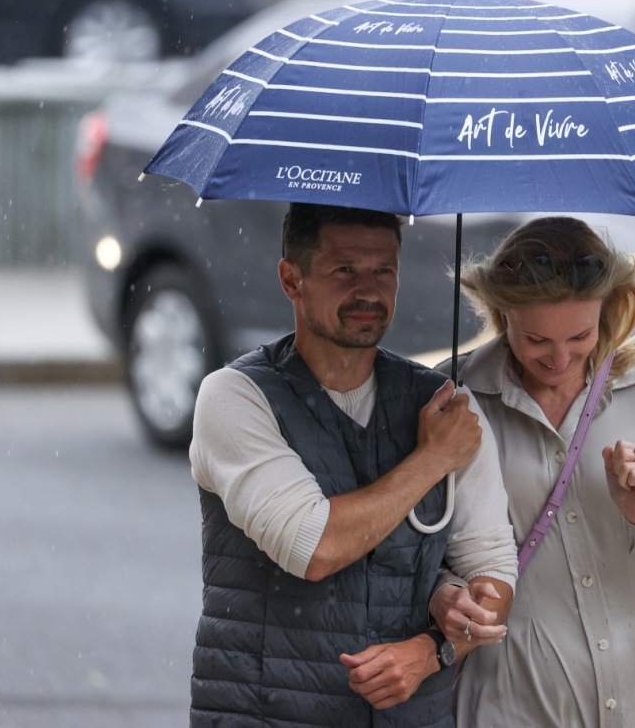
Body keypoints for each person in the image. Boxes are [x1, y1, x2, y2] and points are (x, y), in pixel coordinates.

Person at [188, 202, 518, 727]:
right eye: (345, 270)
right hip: (269, 713)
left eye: (384, 271)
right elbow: (313, 546)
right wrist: (432, 459)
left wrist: (433, 650)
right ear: (291, 279)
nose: (369, 292)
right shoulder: (234, 397)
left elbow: (493, 571)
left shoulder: (445, 406)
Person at [430, 216, 635, 727]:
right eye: (536, 339)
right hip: (508, 699)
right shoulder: (455, 397)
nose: (560, 358)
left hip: (629, 701)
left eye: (580, 335)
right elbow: (414, 554)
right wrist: (444, 594)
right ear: (503, 313)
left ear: (606, 311)